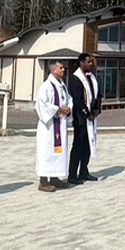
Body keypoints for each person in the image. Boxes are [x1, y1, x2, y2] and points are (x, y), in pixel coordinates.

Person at [35, 59, 72, 191]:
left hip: (60, 124)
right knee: (46, 151)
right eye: (61, 68)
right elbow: (42, 104)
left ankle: (55, 178)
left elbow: (69, 99)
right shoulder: (46, 86)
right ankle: (43, 181)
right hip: (49, 126)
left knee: (59, 151)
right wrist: (57, 109)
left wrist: (68, 108)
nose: (63, 69)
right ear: (53, 70)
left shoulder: (62, 85)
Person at [66, 52, 100, 183]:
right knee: (78, 145)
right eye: (88, 62)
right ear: (81, 63)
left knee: (88, 144)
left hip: (91, 116)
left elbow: (98, 95)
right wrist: (87, 114)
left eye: (92, 62)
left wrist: (96, 110)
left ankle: (84, 171)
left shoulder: (92, 77)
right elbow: (77, 100)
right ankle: (72, 174)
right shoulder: (75, 78)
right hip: (81, 117)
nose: (91, 64)